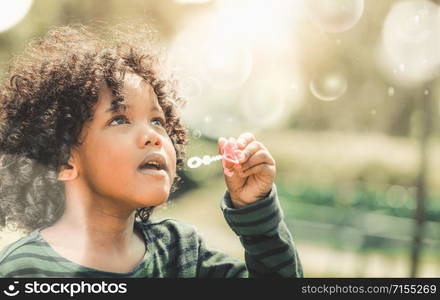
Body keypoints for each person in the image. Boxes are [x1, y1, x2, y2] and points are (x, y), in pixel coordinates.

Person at [0, 24, 303, 278]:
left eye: (158, 121)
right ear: (62, 159)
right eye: (119, 119)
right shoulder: (25, 271)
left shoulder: (182, 253)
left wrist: (257, 211)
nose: (153, 136)